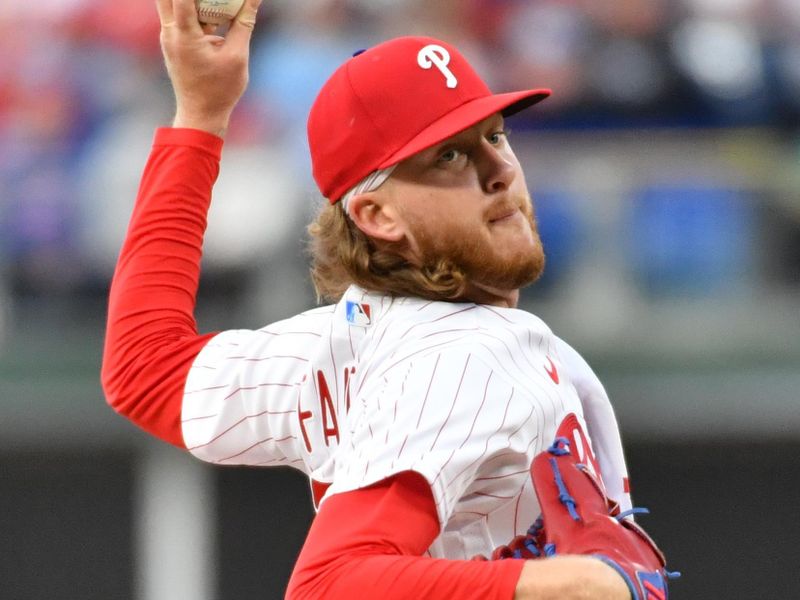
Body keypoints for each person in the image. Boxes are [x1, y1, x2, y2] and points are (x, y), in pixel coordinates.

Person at [102, 0, 653, 598]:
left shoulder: (348, 339)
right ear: (376, 214)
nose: (499, 170)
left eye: (494, 136)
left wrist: (200, 116)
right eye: (450, 156)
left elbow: (145, 368)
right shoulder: (467, 354)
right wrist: (564, 584)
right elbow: (330, 585)